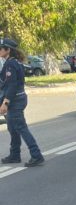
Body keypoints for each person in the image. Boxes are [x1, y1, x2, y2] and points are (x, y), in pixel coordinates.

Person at [0, 38, 45, 166]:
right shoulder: (14, 62)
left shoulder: (11, 64)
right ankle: (15, 155)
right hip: (18, 98)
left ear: (8, 50)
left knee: (21, 128)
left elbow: (12, 85)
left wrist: (5, 103)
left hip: (14, 101)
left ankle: (36, 155)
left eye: (0, 48)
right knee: (12, 128)